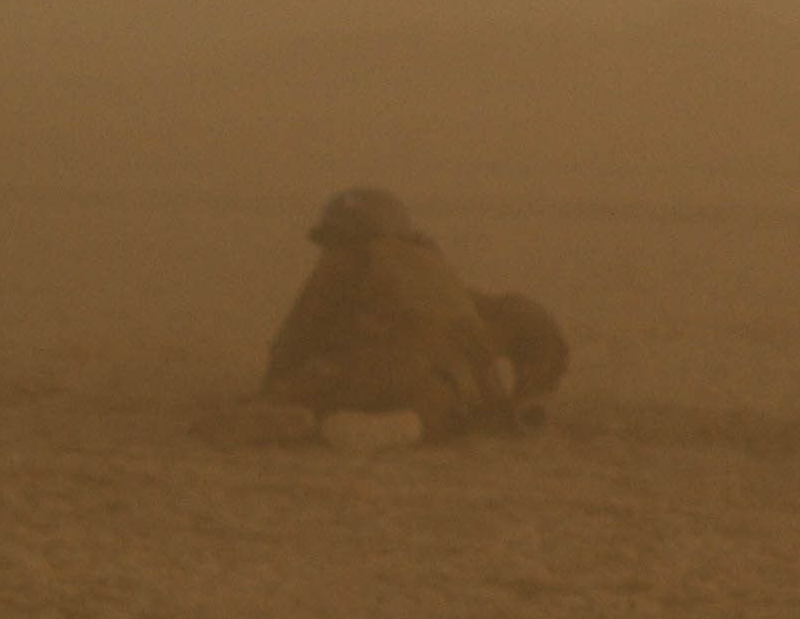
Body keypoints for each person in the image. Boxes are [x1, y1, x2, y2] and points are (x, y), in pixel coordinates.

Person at [215, 187, 564, 444]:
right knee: (445, 406)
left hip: (379, 372)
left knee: (323, 386)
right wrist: (530, 390)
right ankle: (418, 425)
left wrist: (272, 390)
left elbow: (297, 336)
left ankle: (316, 422)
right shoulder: (440, 274)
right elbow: (532, 321)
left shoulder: (346, 260)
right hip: (457, 383)